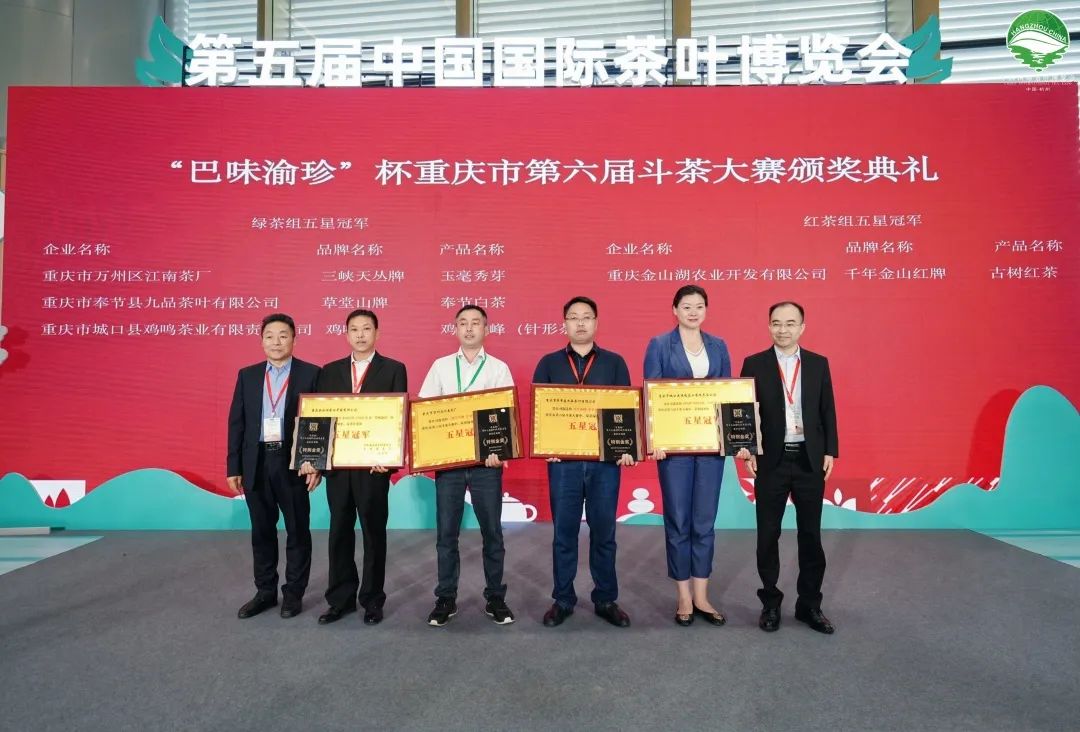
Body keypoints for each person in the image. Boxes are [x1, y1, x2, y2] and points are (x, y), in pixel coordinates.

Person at [533, 296, 635, 628]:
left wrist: (627, 446)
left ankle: (606, 598)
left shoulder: (615, 362)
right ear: (564, 323)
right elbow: (540, 411)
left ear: (596, 322)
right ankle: (563, 599)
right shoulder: (549, 363)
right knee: (564, 533)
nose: (580, 323)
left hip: (604, 464)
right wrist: (545, 444)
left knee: (604, 531)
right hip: (564, 463)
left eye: (586, 317)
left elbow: (625, 411)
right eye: (573, 317)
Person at [737, 301, 838, 634]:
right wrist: (748, 450)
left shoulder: (818, 364)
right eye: (777, 323)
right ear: (769, 326)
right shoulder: (754, 363)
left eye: (790, 323)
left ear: (802, 327)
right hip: (771, 461)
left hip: (809, 459)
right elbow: (744, 411)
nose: (783, 329)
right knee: (768, 535)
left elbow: (827, 409)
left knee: (811, 535)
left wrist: (831, 450)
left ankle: (810, 605)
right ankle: (770, 603)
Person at [417, 304, 515, 626]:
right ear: (455, 329)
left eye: (476, 323)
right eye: (463, 323)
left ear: (486, 329)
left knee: (492, 533)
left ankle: (496, 598)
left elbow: (505, 415)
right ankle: (445, 598)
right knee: (447, 534)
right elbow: (426, 413)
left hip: (487, 464)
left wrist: (500, 451)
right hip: (450, 464)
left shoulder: (499, 368)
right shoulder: (441, 367)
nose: (469, 328)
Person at [312, 309, 407, 626]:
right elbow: (319, 419)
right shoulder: (329, 371)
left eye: (367, 329)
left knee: (373, 534)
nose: (361, 334)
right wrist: (317, 460)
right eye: (354, 329)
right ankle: (340, 600)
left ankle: (372, 600)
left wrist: (390, 459)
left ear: (377, 333)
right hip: (339, 468)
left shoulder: (393, 369)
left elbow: (399, 417)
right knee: (339, 531)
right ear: (346, 334)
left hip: (373, 468)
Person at [643, 285, 731, 627]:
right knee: (679, 520)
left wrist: (733, 436)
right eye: (686, 306)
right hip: (674, 449)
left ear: (706, 310)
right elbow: (651, 395)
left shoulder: (719, 346)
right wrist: (655, 439)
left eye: (699, 306)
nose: (693, 312)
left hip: (710, 447)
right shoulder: (659, 344)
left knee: (704, 522)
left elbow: (729, 395)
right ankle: (683, 596)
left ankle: (702, 596)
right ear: (675, 310)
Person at [227, 313, 321, 619]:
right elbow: (237, 422)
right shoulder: (248, 375)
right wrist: (234, 466)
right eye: (269, 336)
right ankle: (265, 592)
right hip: (255, 462)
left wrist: (316, 464)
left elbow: (320, 421)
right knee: (261, 531)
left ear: (294, 339)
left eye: (283, 335)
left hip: (293, 462)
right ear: (261, 341)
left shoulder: (311, 373)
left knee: (297, 530)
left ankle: (293, 593)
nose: (276, 342)